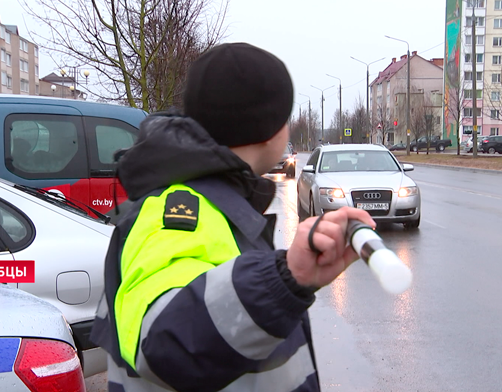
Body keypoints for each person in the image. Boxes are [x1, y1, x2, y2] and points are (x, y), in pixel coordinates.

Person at [90, 43, 375, 392]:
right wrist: (284, 281)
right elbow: (164, 345)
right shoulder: (182, 213)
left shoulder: (210, 200)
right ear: (272, 129)